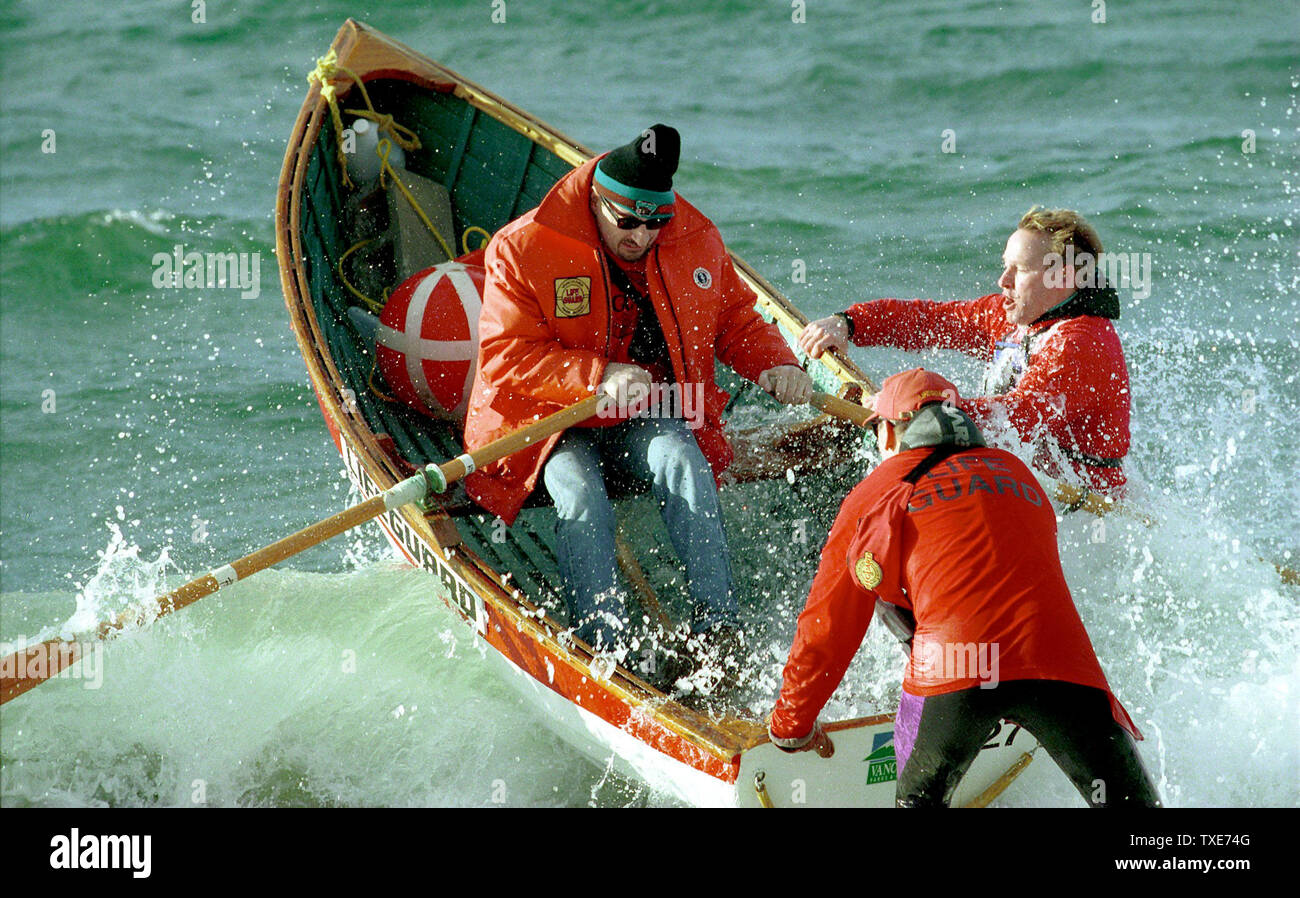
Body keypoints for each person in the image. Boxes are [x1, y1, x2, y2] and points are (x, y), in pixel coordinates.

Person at [462, 124, 812, 663]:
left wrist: (778, 364)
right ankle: (607, 647)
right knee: (580, 495)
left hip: (642, 411)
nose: (641, 236)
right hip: (548, 421)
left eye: (655, 222)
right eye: (627, 221)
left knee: (684, 461)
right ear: (596, 201)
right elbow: (506, 355)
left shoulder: (694, 237)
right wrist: (598, 377)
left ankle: (718, 633)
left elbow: (736, 319)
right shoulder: (521, 246)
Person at [766, 368, 1162, 807]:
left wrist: (791, 726)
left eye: (876, 428)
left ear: (892, 431)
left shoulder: (877, 490)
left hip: (954, 672)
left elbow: (828, 623)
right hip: (1061, 667)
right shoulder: (1018, 471)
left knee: (918, 800)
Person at [798, 208, 1130, 497]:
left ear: (1064, 277)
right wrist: (849, 323)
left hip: (1083, 513)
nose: (1003, 281)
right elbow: (928, 320)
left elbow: (1013, 418)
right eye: (1005, 266)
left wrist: (911, 412)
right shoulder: (1016, 315)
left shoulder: (1082, 343)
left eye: (1020, 270)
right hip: (1023, 484)